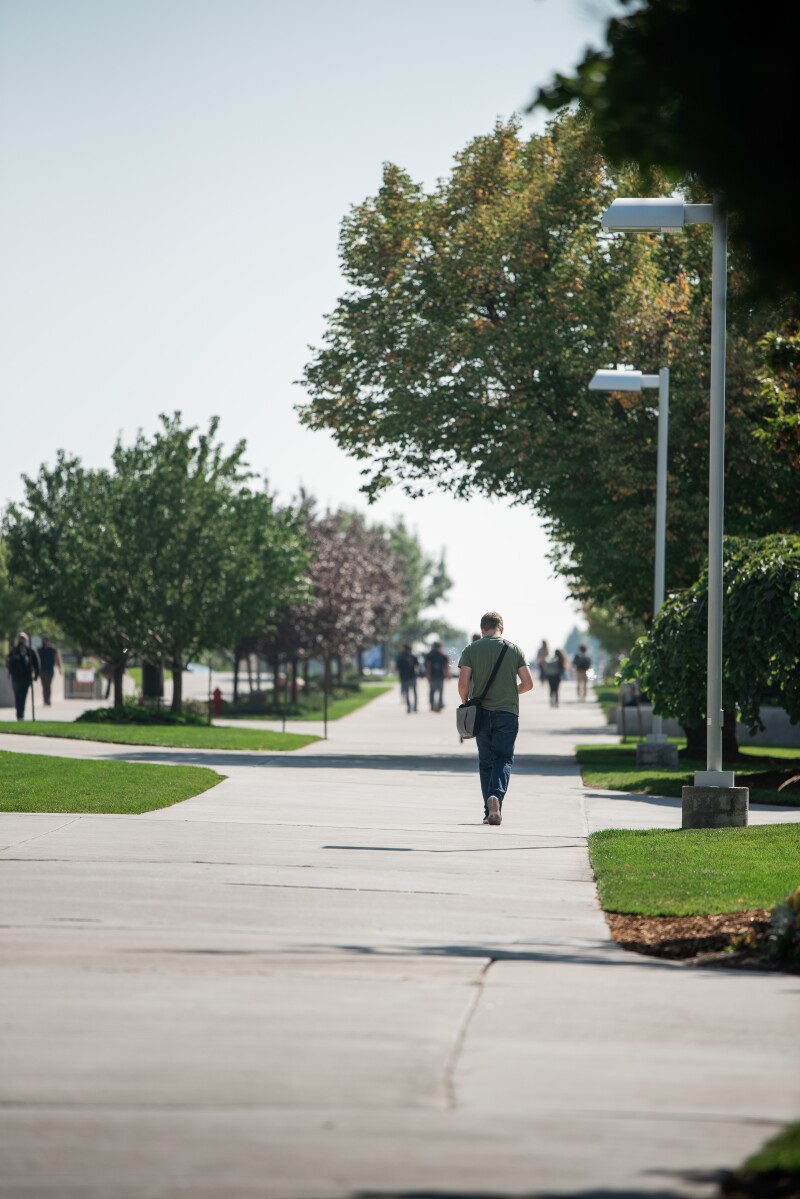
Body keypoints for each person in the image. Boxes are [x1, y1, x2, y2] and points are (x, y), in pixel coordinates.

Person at [457, 611, 534, 826]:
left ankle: (487, 810)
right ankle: (496, 798)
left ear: (482, 629)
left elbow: (463, 684)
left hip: (481, 713)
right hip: (508, 713)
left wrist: (466, 703)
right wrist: (510, 692)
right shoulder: (514, 649)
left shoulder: (471, 649)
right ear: (501, 628)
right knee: (503, 759)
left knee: (486, 762)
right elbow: (528, 683)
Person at [6, 631, 40, 721]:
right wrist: (9, 672)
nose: (21, 640)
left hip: (26, 677)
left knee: (23, 696)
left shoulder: (30, 650)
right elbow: (9, 662)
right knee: (17, 696)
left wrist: (36, 675)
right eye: (20, 638)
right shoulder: (14, 650)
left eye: (23, 639)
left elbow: (36, 663)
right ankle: (19, 714)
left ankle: (21, 714)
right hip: (16, 677)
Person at [424, 640, 450, 711]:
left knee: (432, 691)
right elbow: (446, 666)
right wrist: (448, 674)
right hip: (440, 676)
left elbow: (427, 667)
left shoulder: (429, 655)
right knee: (440, 691)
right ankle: (439, 704)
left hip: (433, 676)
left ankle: (433, 704)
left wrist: (428, 676)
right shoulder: (443, 655)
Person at [394, 642, 419, 713]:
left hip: (405, 677)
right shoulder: (413, 656)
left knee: (407, 693)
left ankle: (409, 707)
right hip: (412, 677)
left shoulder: (400, 657)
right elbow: (417, 666)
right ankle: (414, 707)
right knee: (414, 693)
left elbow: (396, 667)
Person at [38, 636, 63, 706]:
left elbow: (57, 659)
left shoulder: (52, 650)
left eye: (46, 640)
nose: (45, 642)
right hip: (42, 670)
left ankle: (47, 700)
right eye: (44, 640)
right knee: (43, 686)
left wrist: (59, 668)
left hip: (49, 670)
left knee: (47, 686)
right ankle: (45, 700)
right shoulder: (40, 650)